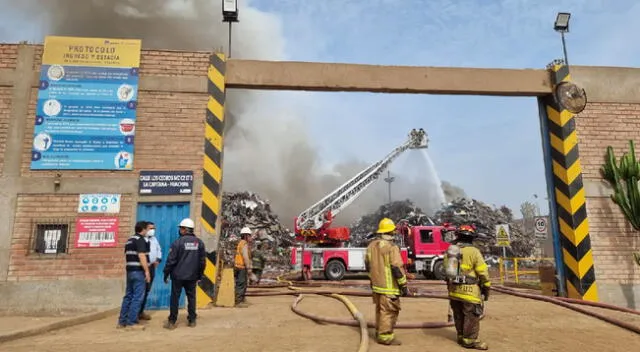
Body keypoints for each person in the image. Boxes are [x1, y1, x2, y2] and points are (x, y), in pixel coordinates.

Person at [443, 224, 491, 350]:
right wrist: (486, 286)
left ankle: (460, 336)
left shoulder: (450, 250)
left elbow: (445, 270)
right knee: (471, 316)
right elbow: (482, 272)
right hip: (470, 292)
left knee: (458, 315)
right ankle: (469, 341)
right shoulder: (474, 251)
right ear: (471, 238)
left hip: (454, 291)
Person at [365, 218, 409, 346]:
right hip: (390, 288)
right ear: (391, 232)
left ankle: (380, 332)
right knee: (389, 312)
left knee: (380, 310)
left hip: (376, 287)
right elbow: (396, 267)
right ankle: (385, 337)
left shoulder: (371, 246)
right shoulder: (391, 247)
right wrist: (403, 285)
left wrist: (373, 279)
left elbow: (367, 265)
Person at [162, 218, 206, 330]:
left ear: (184, 229)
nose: (179, 230)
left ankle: (172, 321)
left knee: (175, 298)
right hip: (192, 276)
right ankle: (192, 320)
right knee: (191, 297)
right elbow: (202, 262)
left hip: (178, 276)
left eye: (180, 228)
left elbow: (171, 261)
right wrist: (200, 275)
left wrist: (166, 273)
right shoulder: (199, 243)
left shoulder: (177, 243)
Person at [117, 221, 151, 330]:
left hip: (130, 272)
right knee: (137, 297)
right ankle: (132, 322)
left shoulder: (129, 240)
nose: (148, 231)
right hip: (138, 271)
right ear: (143, 229)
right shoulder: (140, 240)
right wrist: (146, 271)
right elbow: (141, 256)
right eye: (147, 229)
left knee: (128, 296)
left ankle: (122, 322)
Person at [139, 221, 162, 321]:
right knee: (139, 290)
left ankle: (140, 312)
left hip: (152, 267)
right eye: (150, 228)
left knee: (147, 290)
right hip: (142, 268)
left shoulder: (154, 239)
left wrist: (158, 259)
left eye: (154, 229)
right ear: (145, 229)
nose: (152, 230)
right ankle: (135, 313)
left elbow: (159, 250)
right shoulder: (140, 239)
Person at [234, 226, 253, 307]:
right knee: (241, 284)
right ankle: (239, 301)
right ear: (245, 236)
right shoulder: (244, 244)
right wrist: (249, 268)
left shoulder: (240, 243)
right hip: (241, 267)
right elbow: (245, 257)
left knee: (241, 283)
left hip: (237, 266)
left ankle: (242, 299)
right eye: (249, 235)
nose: (250, 237)